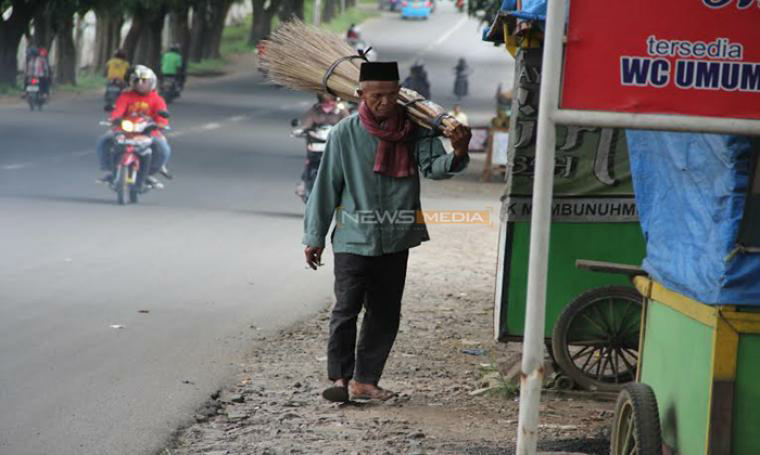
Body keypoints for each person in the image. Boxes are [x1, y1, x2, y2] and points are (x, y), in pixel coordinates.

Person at [303, 61, 472, 403]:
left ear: (401, 94)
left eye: (392, 95)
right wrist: (314, 237)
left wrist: (459, 150)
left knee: (385, 311)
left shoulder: (415, 130)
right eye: (377, 95)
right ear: (361, 95)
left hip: (397, 237)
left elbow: (434, 168)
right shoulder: (344, 134)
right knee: (346, 309)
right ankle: (340, 377)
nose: (385, 102)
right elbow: (326, 187)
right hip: (353, 237)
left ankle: (366, 381)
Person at [95, 65, 172, 187]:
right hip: (125, 130)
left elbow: (162, 116)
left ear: (152, 82)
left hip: (148, 132)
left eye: (144, 81)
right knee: (103, 140)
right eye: (137, 81)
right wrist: (113, 119)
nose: (141, 84)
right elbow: (117, 111)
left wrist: (161, 124)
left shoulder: (157, 99)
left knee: (163, 148)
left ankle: (150, 172)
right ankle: (110, 169)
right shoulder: (126, 96)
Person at [295, 93, 350, 202]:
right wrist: (301, 130)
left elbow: (348, 124)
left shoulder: (341, 110)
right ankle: (304, 183)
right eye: (324, 100)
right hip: (316, 143)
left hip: (334, 144)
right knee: (310, 162)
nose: (327, 102)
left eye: (330, 99)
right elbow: (306, 124)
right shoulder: (315, 110)